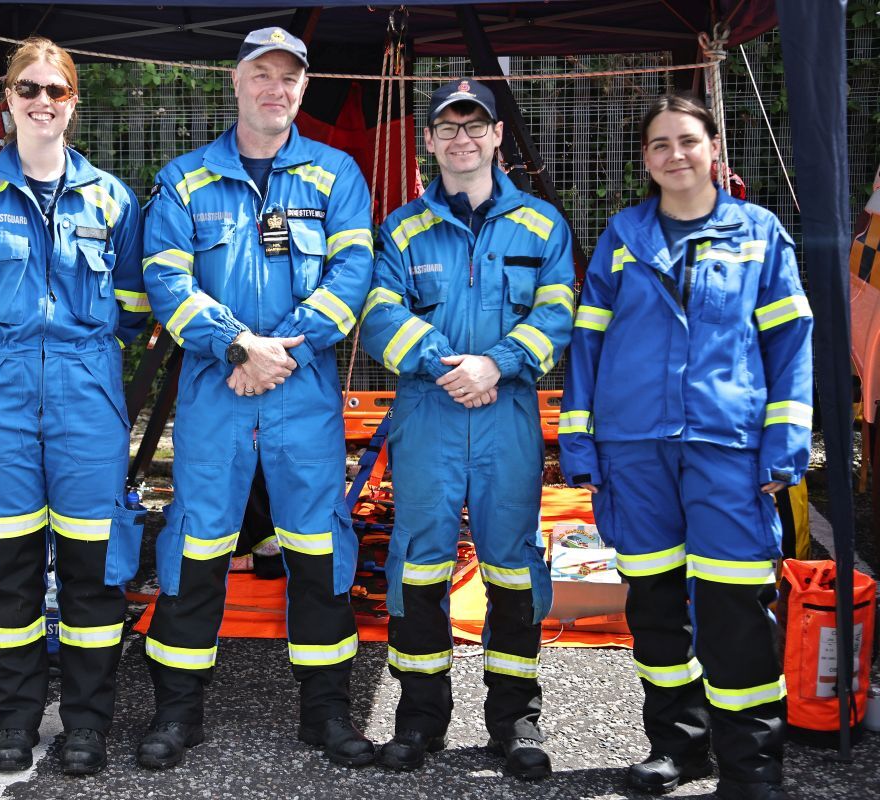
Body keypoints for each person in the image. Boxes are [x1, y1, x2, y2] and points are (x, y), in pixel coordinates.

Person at [560, 94, 811, 800]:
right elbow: (587, 343)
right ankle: (678, 746)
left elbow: (789, 346)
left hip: (725, 447)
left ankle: (752, 768)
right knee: (655, 608)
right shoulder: (623, 235)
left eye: (687, 140)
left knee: (734, 612)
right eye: (660, 144)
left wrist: (785, 444)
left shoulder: (758, 234)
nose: (675, 154)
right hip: (634, 449)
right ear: (646, 160)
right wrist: (579, 443)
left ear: (713, 149)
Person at [139, 26, 375, 770]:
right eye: (262, 74)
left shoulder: (336, 174)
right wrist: (239, 347)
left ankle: (326, 714)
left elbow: (353, 277)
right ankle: (178, 715)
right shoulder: (184, 180)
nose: (276, 88)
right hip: (219, 389)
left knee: (316, 548)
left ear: (303, 89)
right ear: (236, 83)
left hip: (300, 392)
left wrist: (282, 350)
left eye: (290, 78)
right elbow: (166, 281)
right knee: (196, 547)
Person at [0, 37, 148, 776]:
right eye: (29, 88)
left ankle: (87, 724)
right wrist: (13, 350)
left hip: (88, 387)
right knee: (9, 564)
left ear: (73, 101)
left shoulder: (114, 199)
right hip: (0, 387)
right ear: (7, 101)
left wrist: (76, 354)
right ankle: (14, 721)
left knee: (93, 562)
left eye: (57, 89)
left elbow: (132, 309)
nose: (43, 101)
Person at [359, 80, 574, 778]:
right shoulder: (400, 229)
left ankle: (516, 722)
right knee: (416, 566)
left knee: (512, 568)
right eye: (446, 127)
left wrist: (497, 364)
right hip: (429, 413)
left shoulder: (544, 225)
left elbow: (557, 315)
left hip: (506, 412)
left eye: (474, 125)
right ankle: (420, 721)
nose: (461, 138)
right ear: (428, 140)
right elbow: (381, 316)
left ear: (496, 136)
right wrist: (449, 367)